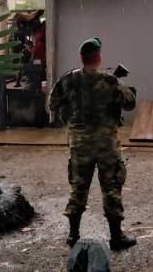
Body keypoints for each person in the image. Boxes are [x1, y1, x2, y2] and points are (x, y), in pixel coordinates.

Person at [48, 37, 137, 250]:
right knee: (111, 187)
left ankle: (73, 235)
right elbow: (130, 103)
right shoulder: (110, 81)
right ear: (99, 57)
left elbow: (53, 103)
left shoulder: (68, 79)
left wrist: (69, 117)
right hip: (106, 143)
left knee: (78, 187)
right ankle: (116, 237)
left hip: (80, 143)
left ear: (81, 57)